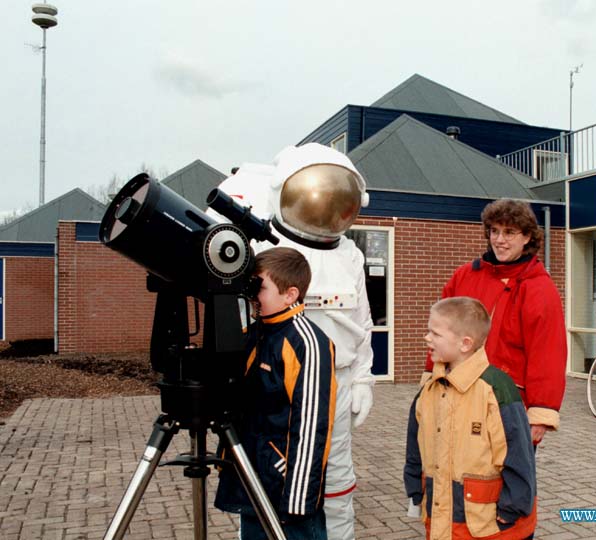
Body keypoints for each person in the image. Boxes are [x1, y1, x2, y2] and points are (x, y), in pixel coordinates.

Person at [212, 144, 374, 540]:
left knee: (334, 480)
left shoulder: (350, 254)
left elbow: (362, 322)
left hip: (332, 383)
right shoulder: (264, 245)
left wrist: (364, 378)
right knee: (264, 473)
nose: (323, 206)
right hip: (276, 383)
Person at [422, 199, 567, 445]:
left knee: (508, 481)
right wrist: (430, 377)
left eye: (509, 232)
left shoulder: (540, 289)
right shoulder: (465, 276)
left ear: (527, 237)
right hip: (457, 395)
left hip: (509, 403)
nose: (500, 240)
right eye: (494, 231)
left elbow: (548, 354)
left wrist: (540, 414)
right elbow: (440, 333)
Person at [214, 247, 336, 540]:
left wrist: (297, 497)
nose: (253, 295)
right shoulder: (258, 332)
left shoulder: (306, 343)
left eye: (260, 287)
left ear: (290, 294)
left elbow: (312, 426)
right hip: (253, 478)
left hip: (285, 488)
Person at [405, 297, 537, 540]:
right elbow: (415, 447)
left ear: (465, 344)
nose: (427, 338)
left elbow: (518, 454)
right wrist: (415, 488)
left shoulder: (496, 390)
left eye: (435, 333)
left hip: (488, 526)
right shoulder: (428, 391)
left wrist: (512, 506)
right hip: (442, 520)